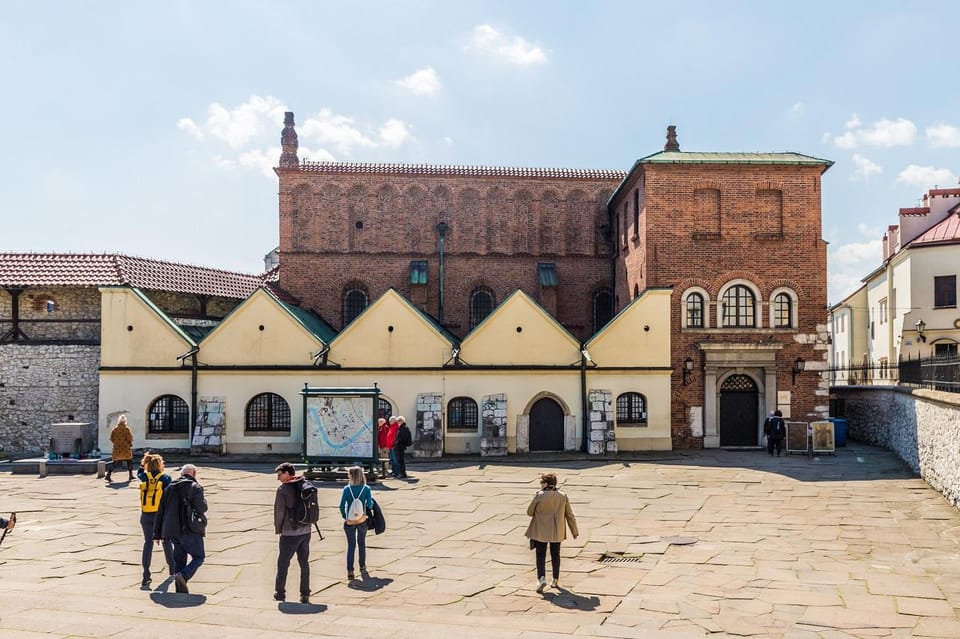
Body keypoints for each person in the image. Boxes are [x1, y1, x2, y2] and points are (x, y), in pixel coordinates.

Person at [154, 464, 207, 593]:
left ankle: (180, 589)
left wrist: (157, 533)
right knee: (199, 557)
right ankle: (183, 575)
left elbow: (160, 511)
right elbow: (202, 508)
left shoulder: (169, 488)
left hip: (172, 531)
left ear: (182, 474)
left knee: (179, 560)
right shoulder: (195, 487)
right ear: (194, 474)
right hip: (190, 529)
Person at [525, 472, 578, 593]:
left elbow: (529, 512)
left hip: (541, 530)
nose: (540, 484)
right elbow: (569, 515)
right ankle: (555, 579)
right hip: (557, 530)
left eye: (542, 482)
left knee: (540, 555)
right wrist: (574, 530)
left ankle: (541, 578)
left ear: (546, 484)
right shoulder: (563, 496)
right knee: (555, 555)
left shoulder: (539, 495)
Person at [273, 462, 312, 603]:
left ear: (287, 473)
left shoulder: (283, 490)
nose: (278, 478)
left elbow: (279, 512)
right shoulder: (305, 484)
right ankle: (305, 594)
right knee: (304, 563)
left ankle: (280, 592)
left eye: (280, 475)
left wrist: (279, 529)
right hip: (306, 530)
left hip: (289, 533)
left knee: (283, 563)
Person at [137, 452, 174, 587]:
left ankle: (146, 575)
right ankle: (172, 569)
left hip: (146, 514)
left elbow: (139, 472)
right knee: (166, 541)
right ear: (159, 465)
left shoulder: (143, 477)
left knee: (148, 543)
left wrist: (144, 462)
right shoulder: (165, 478)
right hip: (161, 515)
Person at [339, 466, 374, 580]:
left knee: (351, 546)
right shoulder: (366, 488)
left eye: (348, 474)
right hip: (362, 520)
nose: (347, 476)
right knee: (362, 543)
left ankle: (350, 570)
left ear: (352, 476)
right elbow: (370, 505)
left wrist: (345, 517)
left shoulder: (346, 489)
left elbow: (341, 506)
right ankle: (362, 566)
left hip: (350, 521)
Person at [106, 414, 133, 482]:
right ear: (125, 421)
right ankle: (130, 475)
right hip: (125, 448)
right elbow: (129, 438)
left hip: (117, 448)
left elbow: (111, 438)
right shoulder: (126, 429)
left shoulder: (115, 429)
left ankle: (108, 475)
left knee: (115, 462)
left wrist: (116, 443)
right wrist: (129, 443)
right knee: (129, 460)